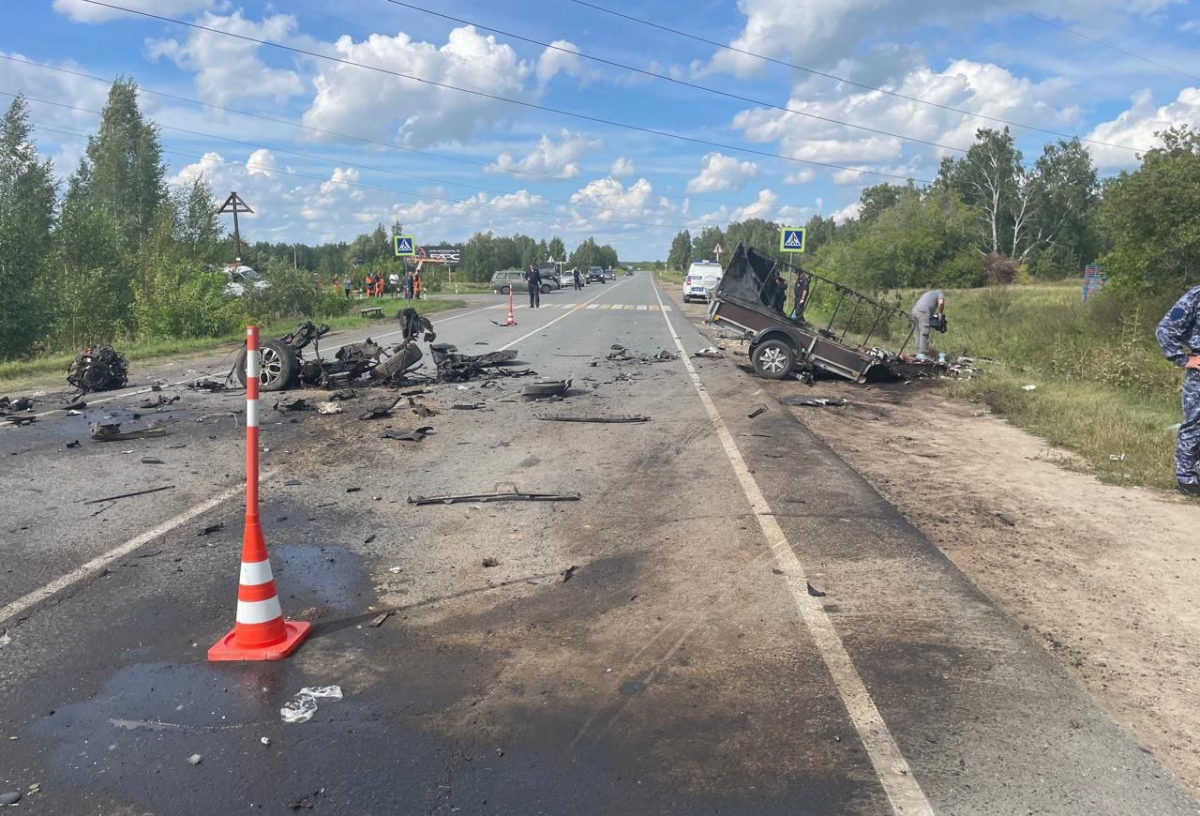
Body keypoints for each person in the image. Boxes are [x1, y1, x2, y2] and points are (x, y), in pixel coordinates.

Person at [1156, 284, 1200, 496]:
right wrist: (1183, 359)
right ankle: (1186, 478)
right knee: (1195, 425)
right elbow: (1165, 329)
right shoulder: (1196, 296)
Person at [911, 289, 945, 360]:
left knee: (918, 333)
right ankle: (923, 355)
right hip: (924, 311)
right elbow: (941, 303)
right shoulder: (940, 293)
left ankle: (919, 352)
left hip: (914, 311)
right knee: (924, 332)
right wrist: (940, 314)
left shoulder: (928, 293)